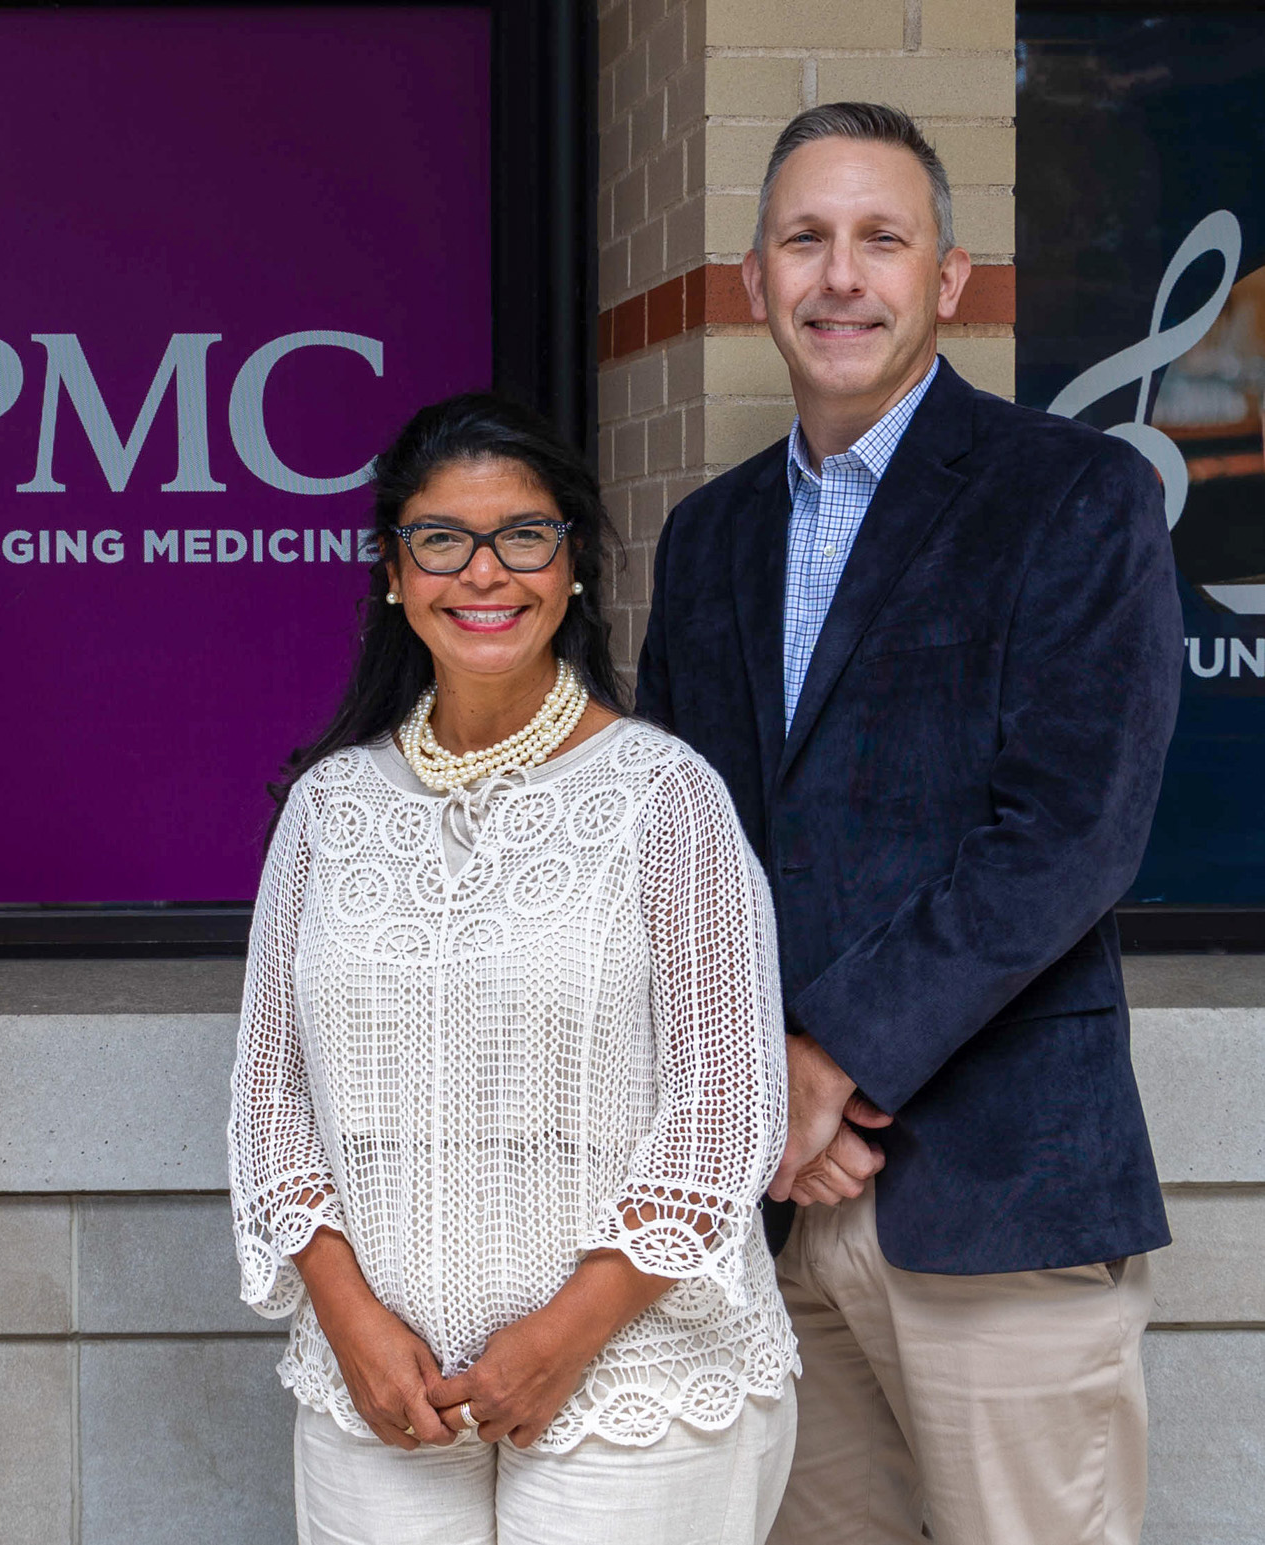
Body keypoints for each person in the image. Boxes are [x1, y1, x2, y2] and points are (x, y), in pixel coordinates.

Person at [635, 103, 1182, 1545]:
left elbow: (1069, 831)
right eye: (805, 240)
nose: (841, 276)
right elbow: (684, 852)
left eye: (883, 239)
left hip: (995, 1188)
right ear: (753, 279)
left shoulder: (1072, 495)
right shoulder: (710, 538)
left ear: (947, 279)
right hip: (771, 1211)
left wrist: (828, 1063)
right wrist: (762, 1092)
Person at [229, 394, 798, 1545]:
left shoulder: (664, 794)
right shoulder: (331, 808)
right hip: (383, 1384)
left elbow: (725, 1112)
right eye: (441, 539)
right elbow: (268, 1100)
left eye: (522, 536)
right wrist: (350, 1323)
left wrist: (560, 1340)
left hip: (634, 1374)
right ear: (393, 570)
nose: (483, 573)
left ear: (573, 562)